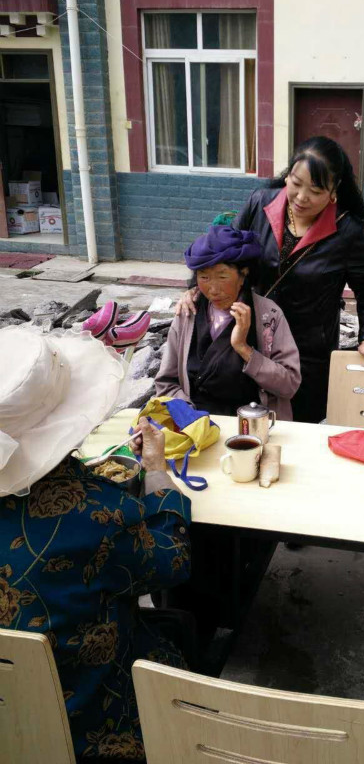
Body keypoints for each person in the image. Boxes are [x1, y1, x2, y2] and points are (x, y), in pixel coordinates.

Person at [0, 326, 192, 762]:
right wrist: (157, 471)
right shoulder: (98, 515)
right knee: (177, 627)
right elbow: (173, 559)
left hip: (10, 720)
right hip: (92, 721)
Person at [178, 136, 364, 423]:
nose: (301, 197)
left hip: (307, 351)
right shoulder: (260, 204)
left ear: (334, 191)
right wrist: (195, 288)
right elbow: (224, 252)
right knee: (246, 420)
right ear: (287, 175)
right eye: (296, 183)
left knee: (297, 427)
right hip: (251, 337)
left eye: (315, 190)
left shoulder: (347, 231)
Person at [156, 225, 301, 420]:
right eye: (204, 277)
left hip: (252, 423)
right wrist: (190, 417)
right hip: (197, 423)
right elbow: (166, 383)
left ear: (243, 274)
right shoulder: (187, 313)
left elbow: (289, 385)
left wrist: (243, 348)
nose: (213, 289)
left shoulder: (269, 315)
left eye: (222, 276)